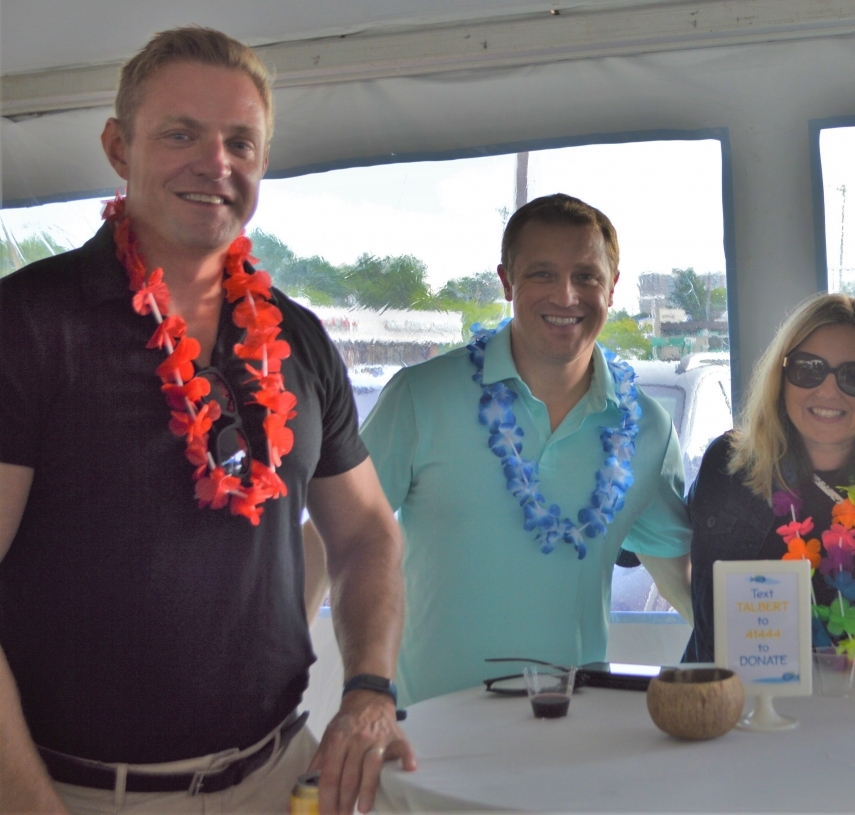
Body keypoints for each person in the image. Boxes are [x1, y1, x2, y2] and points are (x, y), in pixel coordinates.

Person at [0, 27, 413, 815]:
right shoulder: (27, 324)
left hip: (279, 774)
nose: (214, 163)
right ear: (119, 147)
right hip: (78, 793)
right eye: (180, 133)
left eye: (240, 141)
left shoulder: (297, 338)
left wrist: (367, 688)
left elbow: (366, 533)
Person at [357, 193, 692, 707]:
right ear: (506, 281)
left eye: (587, 276)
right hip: (429, 733)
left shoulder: (648, 428)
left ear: (613, 287)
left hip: (572, 733)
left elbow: (679, 577)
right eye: (541, 274)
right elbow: (343, 539)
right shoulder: (420, 398)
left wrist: (781, 654)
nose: (566, 296)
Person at [685, 294, 855, 671]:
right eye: (808, 369)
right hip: (745, 715)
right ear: (781, 378)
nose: (829, 391)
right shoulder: (727, 467)